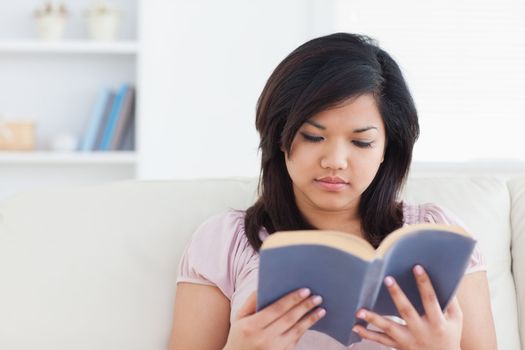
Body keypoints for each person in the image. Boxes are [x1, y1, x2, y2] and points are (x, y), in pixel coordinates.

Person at [169, 33, 497, 350]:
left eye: (361, 142)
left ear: (387, 147)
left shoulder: (439, 236)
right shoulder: (225, 242)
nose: (335, 161)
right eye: (313, 136)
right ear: (281, 137)